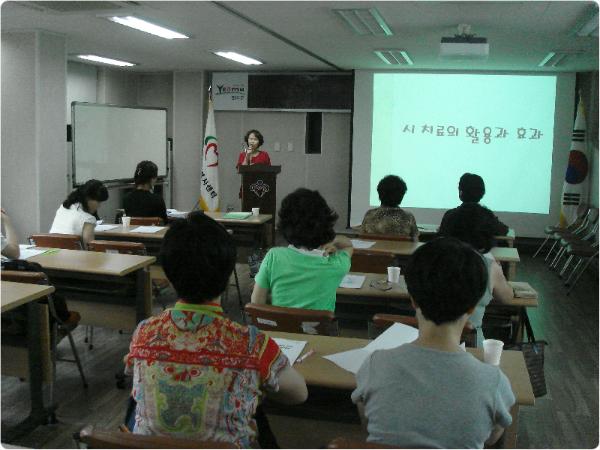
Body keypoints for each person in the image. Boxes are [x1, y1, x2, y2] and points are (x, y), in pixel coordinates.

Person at [124, 212, 307, 447]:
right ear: (228, 272)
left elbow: (131, 372)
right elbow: (298, 394)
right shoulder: (252, 344)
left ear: (168, 274)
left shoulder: (144, 333)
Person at [351, 237, 516, 448]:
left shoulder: (375, 365)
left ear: (412, 299)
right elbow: (491, 438)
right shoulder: (494, 383)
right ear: (472, 307)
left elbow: (368, 426)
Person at [251, 188, 353, 311]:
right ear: (326, 223)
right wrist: (332, 240)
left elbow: (257, 303)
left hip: (279, 329)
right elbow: (348, 245)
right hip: (319, 329)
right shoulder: (336, 264)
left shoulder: (273, 256)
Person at [437, 202, 514, 338]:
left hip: (430, 338)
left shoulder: (431, 259)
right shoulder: (489, 265)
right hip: (470, 341)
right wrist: (499, 270)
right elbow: (507, 298)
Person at [440, 173, 509, 236]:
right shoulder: (487, 216)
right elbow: (503, 230)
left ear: (461, 192)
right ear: (482, 193)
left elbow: (441, 235)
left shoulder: (449, 216)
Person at [49, 179, 108, 249]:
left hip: (51, 253)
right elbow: (90, 248)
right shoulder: (88, 219)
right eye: (98, 202)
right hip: (73, 257)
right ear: (88, 198)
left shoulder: (63, 207)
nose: (99, 206)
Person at [360, 175, 419, 240]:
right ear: (401, 196)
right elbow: (415, 240)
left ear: (379, 194)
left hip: (374, 249)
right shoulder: (408, 217)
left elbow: (362, 237)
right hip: (400, 249)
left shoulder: (370, 214)